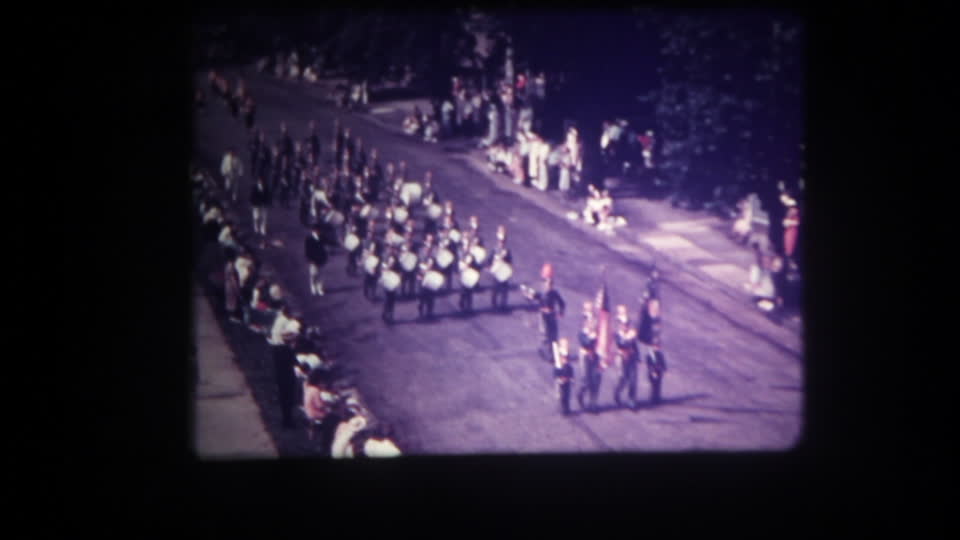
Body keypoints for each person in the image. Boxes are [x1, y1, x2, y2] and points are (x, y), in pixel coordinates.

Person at [267, 305, 302, 428]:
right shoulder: (285, 323)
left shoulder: (280, 319)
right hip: (283, 360)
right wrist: (295, 337)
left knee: (285, 391)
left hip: (279, 357)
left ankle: (287, 418)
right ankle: (287, 420)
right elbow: (286, 337)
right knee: (287, 391)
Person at [523, 263, 566, 361]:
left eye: (550, 284)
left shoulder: (554, 293)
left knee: (554, 335)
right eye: (547, 283)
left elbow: (562, 303)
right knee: (545, 335)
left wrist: (561, 312)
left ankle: (553, 354)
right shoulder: (542, 293)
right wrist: (529, 296)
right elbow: (535, 297)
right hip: (543, 315)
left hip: (552, 315)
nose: (548, 286)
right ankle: (546, 353)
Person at [638, 290, 666, 404]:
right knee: (652, 384)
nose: (656, 348)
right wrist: (651, 371)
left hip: (658, 371)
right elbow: (649, 363)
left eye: (657, 346)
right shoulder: (650, 355)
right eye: (655, 346)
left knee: (658, 385)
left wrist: (663, 369)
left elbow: (663, 362)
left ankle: (657, 398)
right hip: (652, 372)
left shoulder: (660, 354)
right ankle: (652, 398)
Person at [613, 304, 641, 409]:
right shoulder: (617, 333)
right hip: (621, 358)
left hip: (632, 357)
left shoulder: (630, 332)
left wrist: (637, 356)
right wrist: (629, 338)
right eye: (623, 324)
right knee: (622, 378)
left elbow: (634, 345)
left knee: (633, 379)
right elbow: (621, 344)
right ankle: (617, 392)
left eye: (626, 324)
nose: (625, 326)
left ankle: (631, 400)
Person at [576, 300, 603, 412]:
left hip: (595, 355)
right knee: (586, 380)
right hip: (585, 355)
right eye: (589, 322)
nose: (591, 322)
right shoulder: (583, 330)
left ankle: (593, 403)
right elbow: (584, 342)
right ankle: (580, 394)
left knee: (596, 379)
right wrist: (591, 337)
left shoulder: (596, 323)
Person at [490, 225, 513, 311]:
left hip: (504, 271)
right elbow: (490, 258)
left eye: (503, 242)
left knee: (504, 290)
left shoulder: (507, 251)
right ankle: (493, 304)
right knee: (495, 289)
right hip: (497, 271)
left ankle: (503, 305)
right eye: (500, 241)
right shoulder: (495, 249)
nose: (501, 243)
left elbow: (510, 261)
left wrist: (509, 267)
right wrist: (489, 265)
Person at [305, 224, 328, 297]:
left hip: (321, 259)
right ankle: (313, 286)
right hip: (313, 259)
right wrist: (310, 260)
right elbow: (307, 251)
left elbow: (324, 248)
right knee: (313, 274)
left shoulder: (322, 237)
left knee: (321, 274)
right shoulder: (309, 239)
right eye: (317, 231)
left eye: (319, 231)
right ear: (314, 231)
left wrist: (325, 257)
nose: (319, 232)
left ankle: (320, 288)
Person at [553, 338, 575, 416]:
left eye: (566, 358)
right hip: (560, 382)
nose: (565, 360)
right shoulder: (558, 365)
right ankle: (562, 409)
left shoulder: (568, 366)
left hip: (567, 382)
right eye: (563, 358)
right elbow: (556, 373)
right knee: (561, 396)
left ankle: (567, 409)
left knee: (567, 396)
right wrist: (558, 379)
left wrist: (571, 379)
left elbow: (571, 372)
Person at [380, 250, 401, 323]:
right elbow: (382, 269)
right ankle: (385, 313)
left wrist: (398, 281)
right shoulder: (385, 259)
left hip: (393, 282)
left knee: (392, 301)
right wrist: (387, 267)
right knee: (386, 300)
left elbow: (399, 273)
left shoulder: (397, 262)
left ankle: (390, 316)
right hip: (386, 281)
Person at [250, 176, 271, 244]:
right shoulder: (255, 187)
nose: (261, 182)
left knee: (264, 217)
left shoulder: (266, 187)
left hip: (264, 205)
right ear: (258, 181)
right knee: (256, 217)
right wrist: (253, 204)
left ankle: (263, 228)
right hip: (256, 205)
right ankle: (256, 226)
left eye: (262, 181)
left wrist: (268, 203)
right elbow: (252, 196)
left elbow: (268, 195)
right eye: (260, 181)